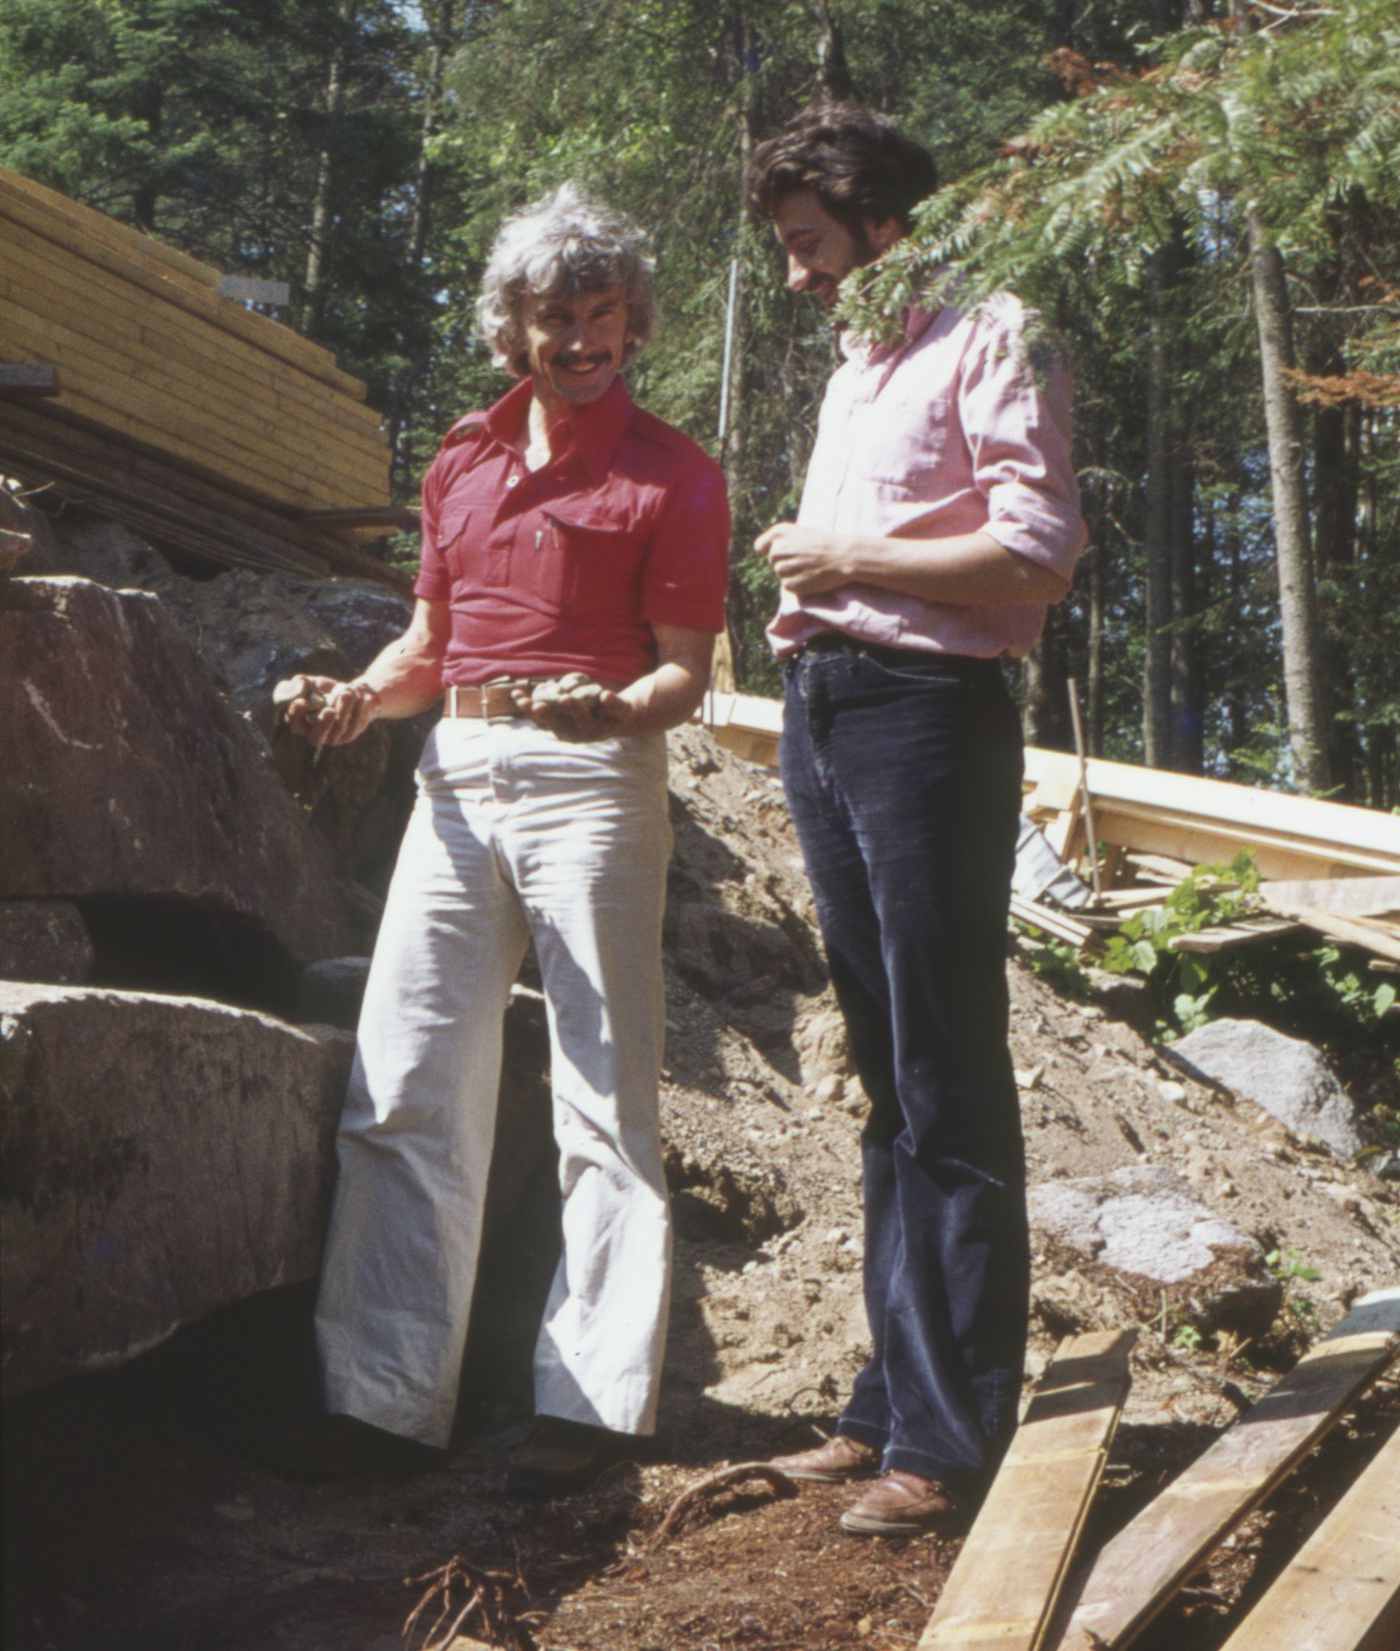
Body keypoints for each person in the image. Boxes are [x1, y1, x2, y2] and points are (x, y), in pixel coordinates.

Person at [281, 184, 730, 1496]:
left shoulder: (675, 475)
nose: (583, 340)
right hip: (457, 771)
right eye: (555, 318)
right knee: (406, 1075)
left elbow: (686, 676)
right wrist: (359, 700)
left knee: (604, 1085)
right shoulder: (460, 461)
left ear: (635, 323)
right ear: (510, 329)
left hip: (596, 782)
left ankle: (585, 1412)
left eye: (605, 317)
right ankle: (378, 1398)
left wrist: (611, 707)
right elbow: (427, 649)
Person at [748, 106, 1084, 1536]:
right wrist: (809, 602)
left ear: (881, 220)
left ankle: (950, 1436)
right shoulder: (860, 363)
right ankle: (890, 1398)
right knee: (886, 1066)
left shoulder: (994, 330)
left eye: (809, 245)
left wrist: (845, 556)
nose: (795, 276)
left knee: (946, 1061)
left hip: (927, 716)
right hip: (828, 705)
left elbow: (1038, 548)